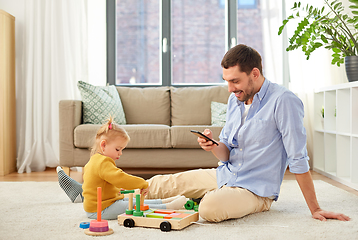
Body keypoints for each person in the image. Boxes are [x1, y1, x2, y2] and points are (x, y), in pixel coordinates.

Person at [58, 44, 350, 223]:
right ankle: (92, 196)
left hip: (255, 191)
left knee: (209, 209)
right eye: (226, 81)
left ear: (255, 74)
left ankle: (207, 199)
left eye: (235, 81)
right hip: (225, 175)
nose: (230, 88)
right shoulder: (235, 101)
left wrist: (315, 208)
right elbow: (227, 151)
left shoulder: (284, 101)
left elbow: (298, 158)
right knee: (164, 183)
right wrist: (213, 146)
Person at [57, 117, 187, 220]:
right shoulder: (103, 162)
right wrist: (142, 182)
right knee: (132, 205)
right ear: (103, 145)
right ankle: (166, 207)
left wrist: (118, 189)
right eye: (117, 149)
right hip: (100, 210)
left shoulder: (95, 160)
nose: (120, 153)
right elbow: (120, 177)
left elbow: (104, 183)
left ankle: (162, 201)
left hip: (102, 205)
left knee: (128, 199)